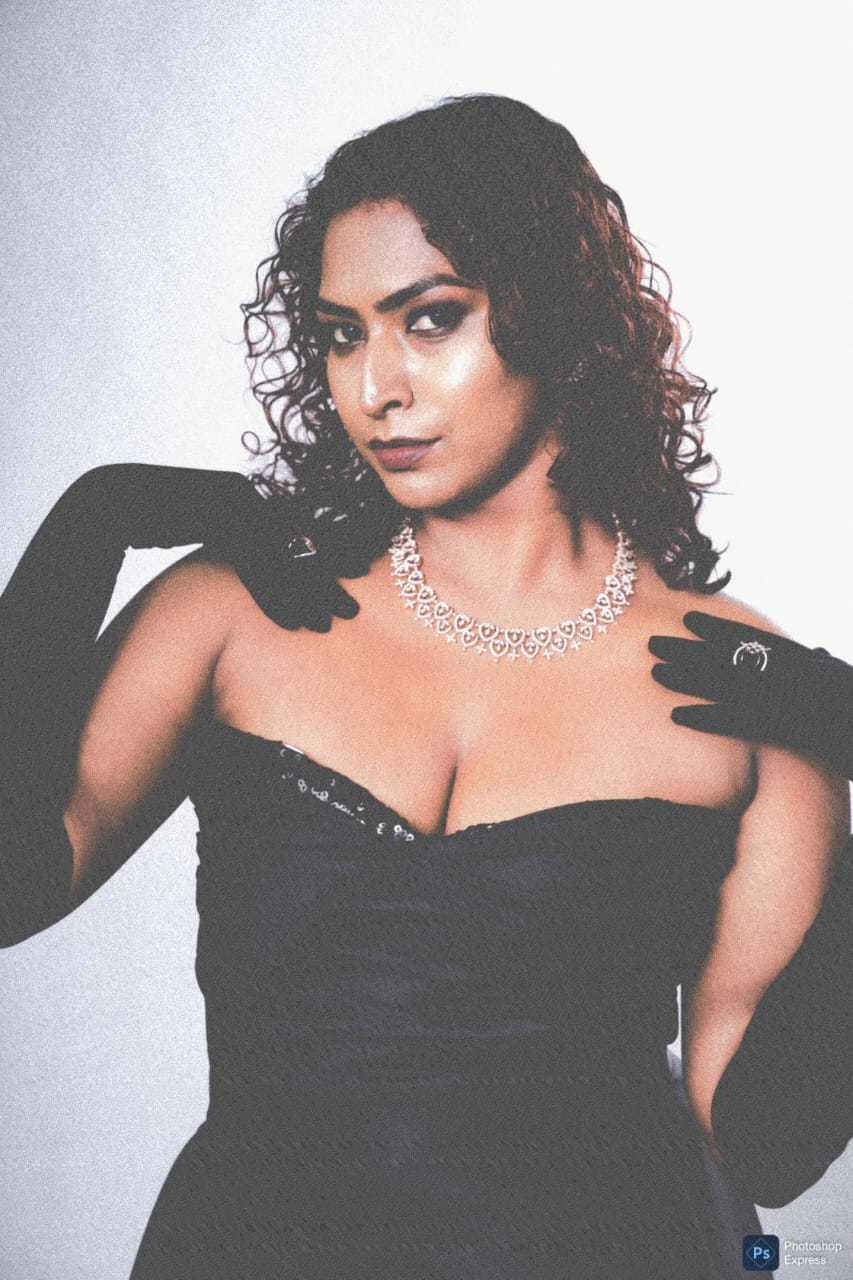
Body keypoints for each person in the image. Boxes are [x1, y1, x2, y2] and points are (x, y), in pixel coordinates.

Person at [0, 93, 849, 1279]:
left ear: (556, 316)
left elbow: (768, 1139)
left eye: (429, 319)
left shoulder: (751, 696)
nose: (374, 387)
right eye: (342, 334)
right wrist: (96, 518)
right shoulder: (232, 613)